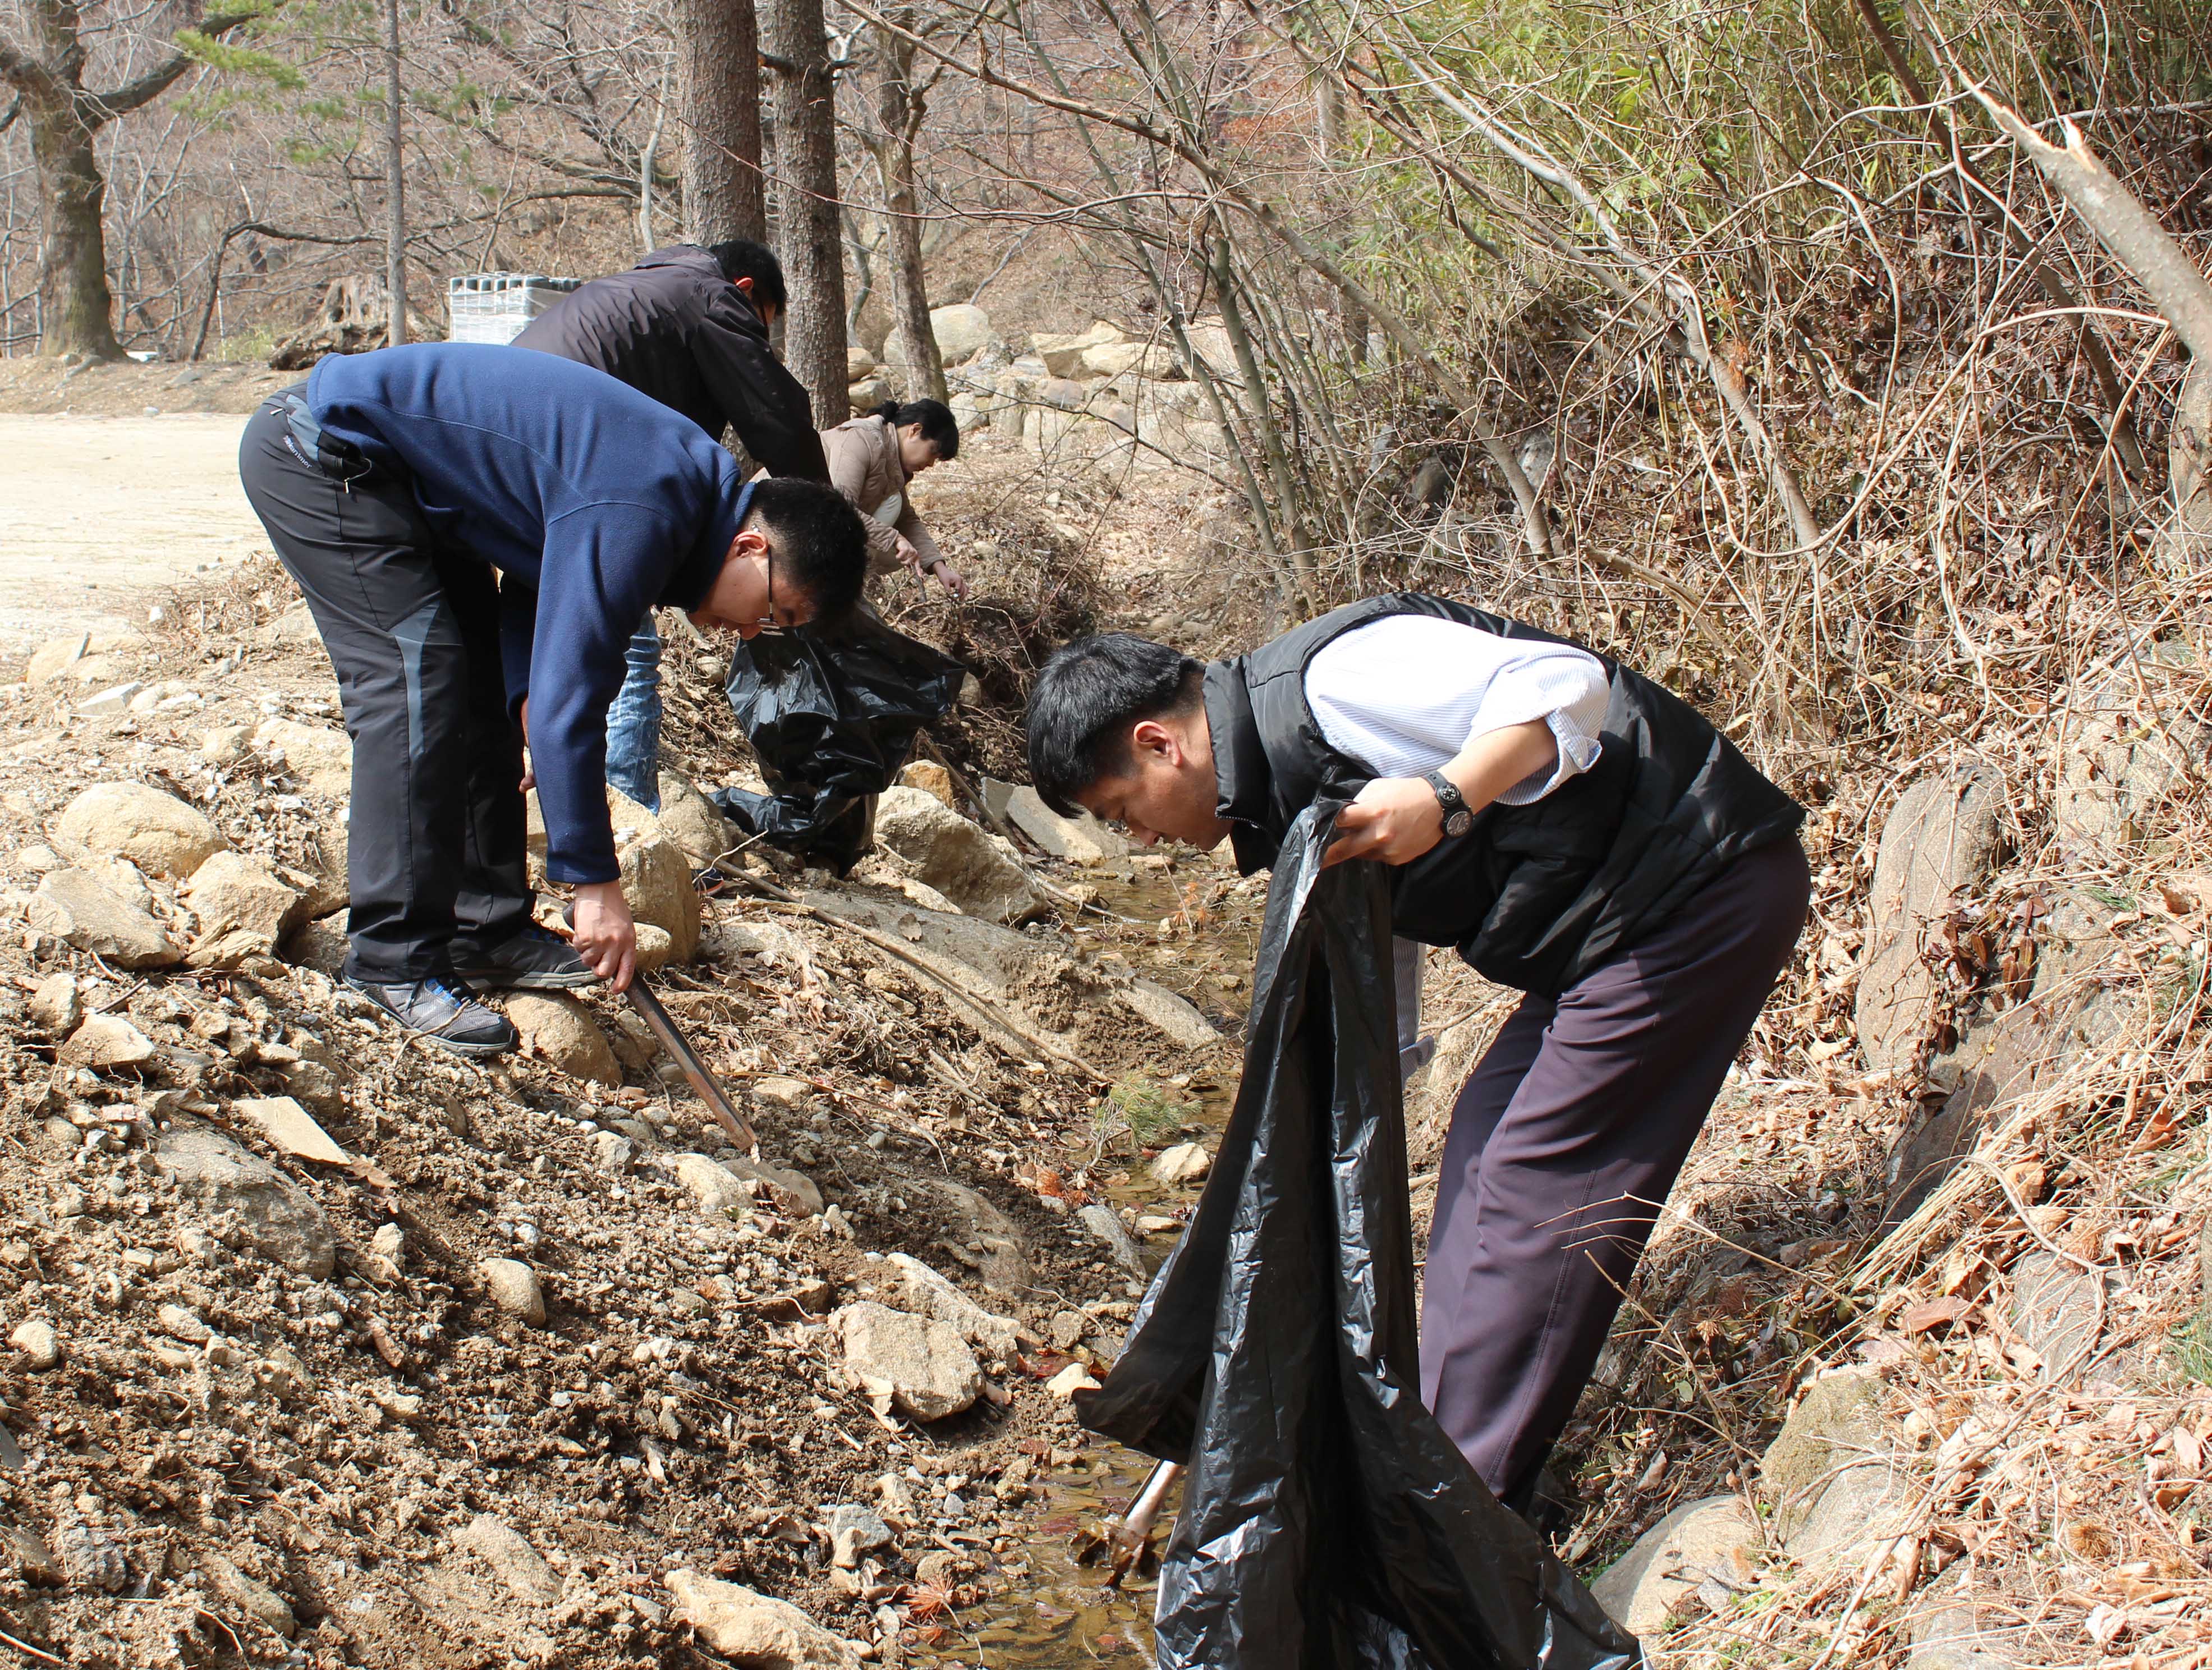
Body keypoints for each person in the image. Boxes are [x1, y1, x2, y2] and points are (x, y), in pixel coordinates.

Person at [1023, 594, 1809, 1518]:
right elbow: (1381, 929)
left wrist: (1448, 793)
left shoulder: (1332, 685)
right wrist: (1357, 1104)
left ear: (1161, 744)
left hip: (1695, 885)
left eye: (1125, 812)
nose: (1143, 840)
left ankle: (1452, 1523)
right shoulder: (1278, 793)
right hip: (1603, 934)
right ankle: (1442, 1455)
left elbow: (1567, 681)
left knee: (1531, 1182)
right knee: (1477, 1148)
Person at [237, 341, 868, 1056]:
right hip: (327, 455)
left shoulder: (680, 506)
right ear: (753, 547)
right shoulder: (650, 501)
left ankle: (487, 928)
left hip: (413, 490)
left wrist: (525, 696)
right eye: (774, 612)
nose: (752, 632)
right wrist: (594, 885)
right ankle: (391, 959)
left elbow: (535, 580)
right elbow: (576, 699)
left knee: (482, 694)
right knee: (419, 682)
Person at [513, 238, 834, 811]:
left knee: (547, 633)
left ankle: (558, 796)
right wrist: (822, 535)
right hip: (572, 461)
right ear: (746, 293)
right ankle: (630, 819)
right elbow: (776, 419)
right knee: (630, 651)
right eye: (761, 327)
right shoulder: (711, 298)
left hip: (518, 454)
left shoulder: (647, 294)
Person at [820, 398, 969, 598]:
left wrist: (939, 567)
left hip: (813, 533)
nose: (931, 464)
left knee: (895, 503)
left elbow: (907, 519)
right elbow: (836, 509)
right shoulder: (861, 438)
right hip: (777, 519)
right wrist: (894, 538)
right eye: (933, 452)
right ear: (915, 431)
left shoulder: (892, 463)